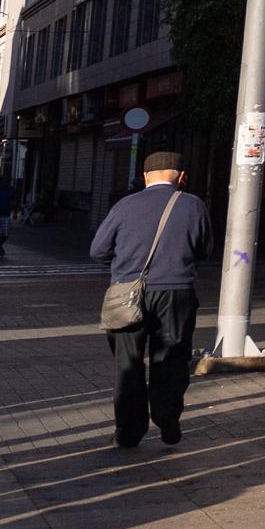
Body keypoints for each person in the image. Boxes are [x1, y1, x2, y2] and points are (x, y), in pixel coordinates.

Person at [88, 153, 213, 448]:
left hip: (127, 295)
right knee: (171, 359)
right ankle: (167, 416)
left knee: (128, 364)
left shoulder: (125, 205)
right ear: (181, 177)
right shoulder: (194, 205)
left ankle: (129, 432)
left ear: (145, 177)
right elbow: (205, 249)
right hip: (177, 293)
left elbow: (98, 251)